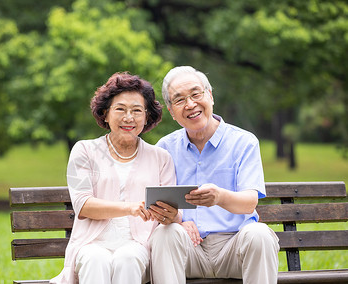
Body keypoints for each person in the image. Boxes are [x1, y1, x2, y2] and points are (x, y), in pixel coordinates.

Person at [148, 66, 280, 284]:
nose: (190, 104)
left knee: (260, 234)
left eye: (196, 94)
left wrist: (220, 197)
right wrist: (179, 220)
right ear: (171, 111)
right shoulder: (165, 148)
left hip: (234, 247)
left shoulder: (244, 142)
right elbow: (158, 205)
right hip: (188, 248)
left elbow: (249, 203)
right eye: (179, 100)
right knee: (165, 234)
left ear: (210, 95)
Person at [50, 72, 177, 284]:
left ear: (147, 117)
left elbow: (170, 207)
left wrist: (171, 214)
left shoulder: (161, 157)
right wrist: (129, 208)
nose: (129, 118)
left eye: (137, 111)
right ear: (106, 113)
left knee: (127, 258)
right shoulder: (84, 151)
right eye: (120, 109)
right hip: (91, 243)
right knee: (95, 259)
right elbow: (82, 204)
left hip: (138, 245)